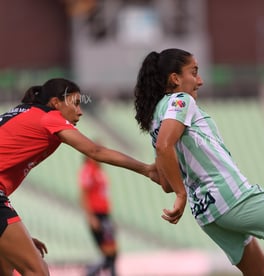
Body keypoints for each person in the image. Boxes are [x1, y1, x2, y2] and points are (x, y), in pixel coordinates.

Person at [133, 48, 264, 276]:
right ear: (175, 79)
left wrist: (169, 183)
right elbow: (164, 148)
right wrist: (181, 194)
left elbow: (166, 179)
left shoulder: (157, 119)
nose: (200, 80)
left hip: (207, 212)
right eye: (193, 72)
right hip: (231, 196)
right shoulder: (181, 100)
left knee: (258, 272)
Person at [0, 78, 157, 276]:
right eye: (75, 103)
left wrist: (20, 237)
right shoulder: (49, 118)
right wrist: (147, 169)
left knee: (7, 269)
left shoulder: (24, 113)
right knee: (37, 271)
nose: (80, 111)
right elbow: (95, 150)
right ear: (56, 103)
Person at [79, 155, 117, 276]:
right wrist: (91, 217)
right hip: (97, 214)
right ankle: (89, 272)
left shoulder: (99, 171)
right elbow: (83, 194)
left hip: (105, 215)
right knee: (108, 252)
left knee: (112, 252)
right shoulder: (88, 170)